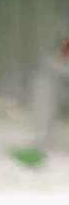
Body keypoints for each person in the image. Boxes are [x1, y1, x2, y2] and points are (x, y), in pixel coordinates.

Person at [14, 35, 69, 167]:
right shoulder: (51, 66)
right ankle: (42, 148)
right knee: (44, 91)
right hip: (54, 106)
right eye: (66, 47)